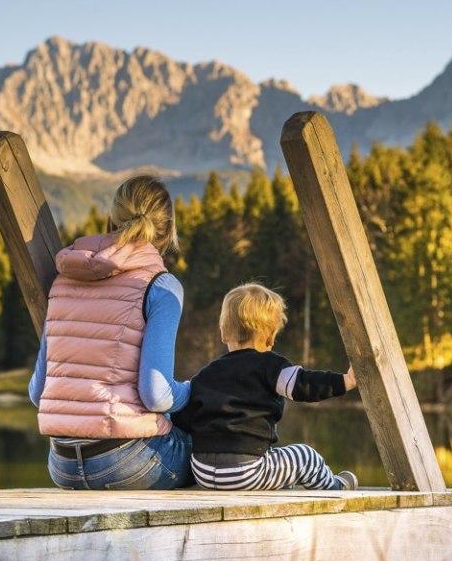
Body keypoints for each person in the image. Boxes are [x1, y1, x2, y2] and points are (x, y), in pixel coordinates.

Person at [29, 174, 193, 489]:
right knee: (210, 451)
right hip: (126, 463)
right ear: (168, 229)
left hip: (61, 465)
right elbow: (156, 394)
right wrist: (192, 390)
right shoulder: (161, 286)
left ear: (109, 220)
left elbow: (38, 392)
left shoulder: (64, 280)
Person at [172, 282, 359, 491]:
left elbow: (184, 418)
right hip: (246, 472)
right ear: (271, 337)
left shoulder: (205, 375)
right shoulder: (271, 367)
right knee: (306, 456)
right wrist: (346, 381)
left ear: (224, 333)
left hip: (203, 473)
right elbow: (304, 385)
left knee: (275, 462)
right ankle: (335, 486)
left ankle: (276, 481)